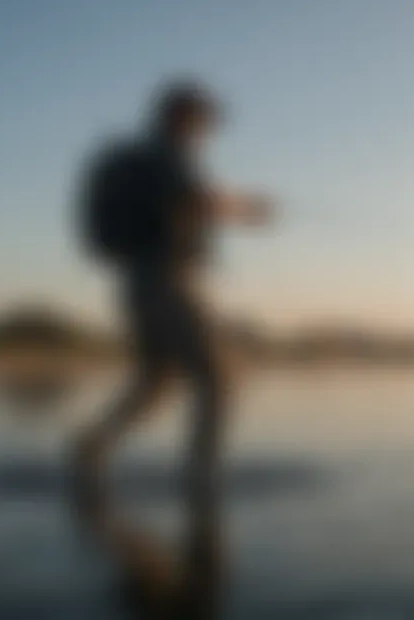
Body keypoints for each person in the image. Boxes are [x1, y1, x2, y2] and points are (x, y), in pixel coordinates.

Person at [70, 79, 273, 617]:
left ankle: (92, 447)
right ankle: (201, 481)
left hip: (142, 282)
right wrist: (249, 209)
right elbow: (196, 203)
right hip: (168, 279)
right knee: (219, 378)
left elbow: (188, 205)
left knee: (157, 381)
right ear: (183, 116)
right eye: (205, 120)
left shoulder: (146, 156)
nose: (209, 130)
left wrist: (229, 208)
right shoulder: (167, 154)